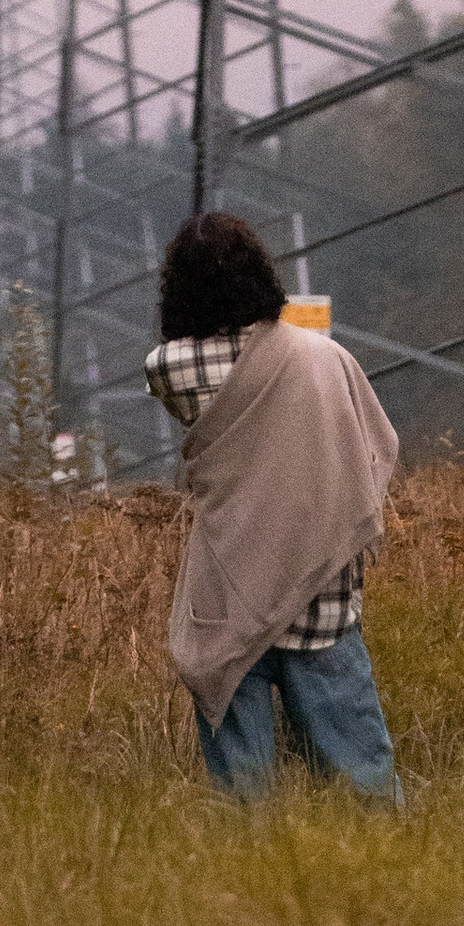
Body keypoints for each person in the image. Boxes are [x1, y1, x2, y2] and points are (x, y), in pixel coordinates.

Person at [146, 210, 402, 803]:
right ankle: (381, 864)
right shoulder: (326, 359)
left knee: (243, 793)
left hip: (230, 592)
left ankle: (251, 874)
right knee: (361, 778)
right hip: (322, 590)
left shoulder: (170, 371)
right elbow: (375, 449)